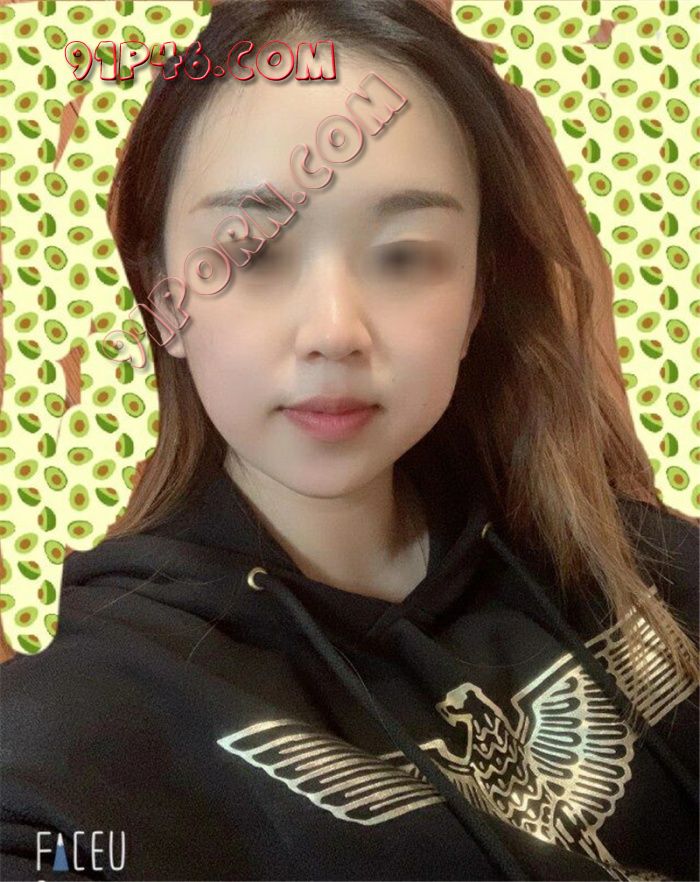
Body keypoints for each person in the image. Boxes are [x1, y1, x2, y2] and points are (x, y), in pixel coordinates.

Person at [1, 1, 698, 880]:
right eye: (253, 253)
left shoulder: (643, 569)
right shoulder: (85, 731)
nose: (334, 331)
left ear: (479, 292)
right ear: (163, 296)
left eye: (404, 254)